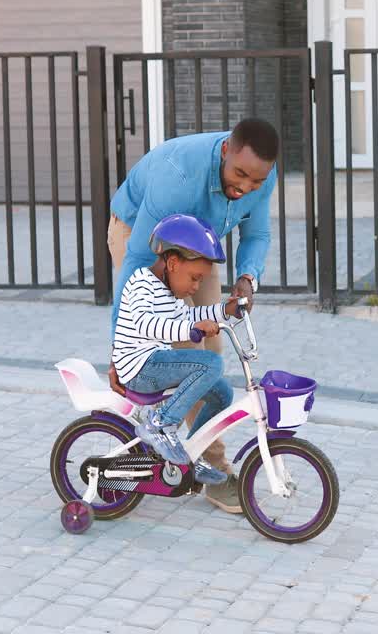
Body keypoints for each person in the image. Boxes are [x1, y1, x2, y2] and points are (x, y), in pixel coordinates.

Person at [107, 118, 279, 514]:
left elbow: (257, 235)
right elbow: (137, 262)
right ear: (225, 151)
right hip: (142, 235)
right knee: (175, 351)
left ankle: (193, 461)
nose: (246, 187)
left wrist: (248, 278)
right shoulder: (179, 176)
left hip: (198, 244)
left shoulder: (260, 176)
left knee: (209, 354)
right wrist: (118, 349)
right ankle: (176, 450)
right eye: (240, 175)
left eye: (256, 181)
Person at [114, 215, 241, 486]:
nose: (196, 287)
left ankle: (192, 456)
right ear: (172, 263)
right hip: (140, 368)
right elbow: (146, 324)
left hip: (156, 364)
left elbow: (189, 315)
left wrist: (224, 310)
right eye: (194, 278)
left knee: (222, 392)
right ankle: (160, 424)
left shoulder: (169, 293)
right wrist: (191, 329)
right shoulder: (141, 282)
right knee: (210, 363)